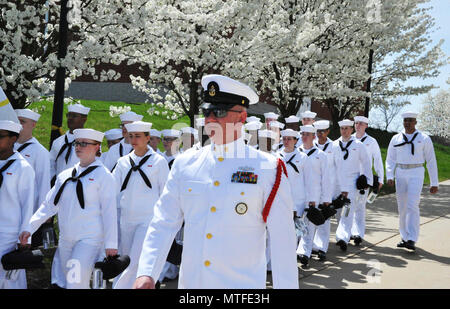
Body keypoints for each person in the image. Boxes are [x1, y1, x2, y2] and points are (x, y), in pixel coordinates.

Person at [133, 74, 298, 289]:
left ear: (241, 117)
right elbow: (164, 222)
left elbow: (282, 240)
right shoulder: (185, 164)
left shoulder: (268, 168)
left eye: (219, 112)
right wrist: (147, 272)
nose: (210, 119)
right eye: (207, 112)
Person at [20, 128, 118, 289]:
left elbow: (109, 212)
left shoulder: (104, 176)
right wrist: (29, 228)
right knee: (70, 281)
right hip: (66, 238)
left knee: (75, 282)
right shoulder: (65, 175)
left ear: (97, 147)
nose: (78, 147)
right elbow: (49, 205)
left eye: (84, 144)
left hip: (89, 239)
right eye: (77, 143)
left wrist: (111, 244)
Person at [112, 121, 169, 289]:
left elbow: (165, 192)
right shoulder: (123, 162)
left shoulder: (159, 162)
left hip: (147, 219)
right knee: (127, 258)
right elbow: (112, 189)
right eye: (131, 136)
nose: (134, 139)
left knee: (135, 259)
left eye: (138, 136)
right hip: (127, 219)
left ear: (148, 138)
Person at [386, 111, 438, 251]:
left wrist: (434, 182)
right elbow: (390, 159)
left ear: (415, 122)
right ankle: (404, 236)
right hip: (400, 173)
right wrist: (389, 175)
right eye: (405, 120)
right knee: (402, 206)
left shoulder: (424, 138)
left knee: (412, 205)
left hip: (416, 172)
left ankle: (412, 238)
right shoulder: (396, 138)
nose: (407, 123)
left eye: (410, 120)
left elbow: (431, 161)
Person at [0, 120, 35, 289]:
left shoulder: (23, 167)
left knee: (10, 279)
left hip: (8, 233)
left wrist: (26, 234)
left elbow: (28, 203)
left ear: (13, 139)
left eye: (0, 136)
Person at [332, 119, 373, 252]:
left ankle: (342, 238)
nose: (344, 131)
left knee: (347, 210)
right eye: (342, 129)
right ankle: (344, 233)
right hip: (337, 182)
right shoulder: (334, 145)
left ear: (351, 130)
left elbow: (366, 162)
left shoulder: (358, 145)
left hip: (351, 182)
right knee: (338, 212)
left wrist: (367, 180)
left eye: (347, 128)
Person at [14, 109, 51, 249]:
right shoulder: (7, 147)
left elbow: (43, 182)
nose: (19, 124)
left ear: (33, 125)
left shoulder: (40, 152)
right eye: (17, 121)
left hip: (28, 208)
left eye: (23, 122)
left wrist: (44, 214)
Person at [296, 125, 331, 266]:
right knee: (298, 224)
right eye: (302, 134)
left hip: (314, 195)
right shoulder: (296, 153)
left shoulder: (320, 155)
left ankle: (305, 252)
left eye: (307, 135)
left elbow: (326, 178)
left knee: (310, 226)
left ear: (313, 137)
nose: (304, 137)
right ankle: (297, 250)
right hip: (298, 195)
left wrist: (326, 199)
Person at [351, 116, 384, 246]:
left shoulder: (371, 141)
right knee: (348, 206)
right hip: (349, 177)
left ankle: (358, 233)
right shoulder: (350, 139)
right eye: (356, 123)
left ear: (366, 126)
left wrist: (380, 178)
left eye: (361, 124)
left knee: (360, 206)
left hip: (364, 179)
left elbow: (377, 160)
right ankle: (347, 232)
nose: (358, 125)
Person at [311, 120, 336, 260]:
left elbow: (340, 168)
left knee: (324, 218)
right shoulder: (310, 145)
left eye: (322, 131)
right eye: (317, 132)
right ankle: (311, 245)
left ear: (327, 132)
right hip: (313, 187)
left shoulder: (334, 146)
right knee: (312, 217)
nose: (319, 134)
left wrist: (342, 188)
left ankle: (322, 247)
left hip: (328, 186)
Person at [49, 103, 90, 184]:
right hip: (59, 186)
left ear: (84, 119)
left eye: (74, 116)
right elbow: (50, 165)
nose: (70, 119)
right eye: (68, 115)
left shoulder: (90, 143)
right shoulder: (58, 142)